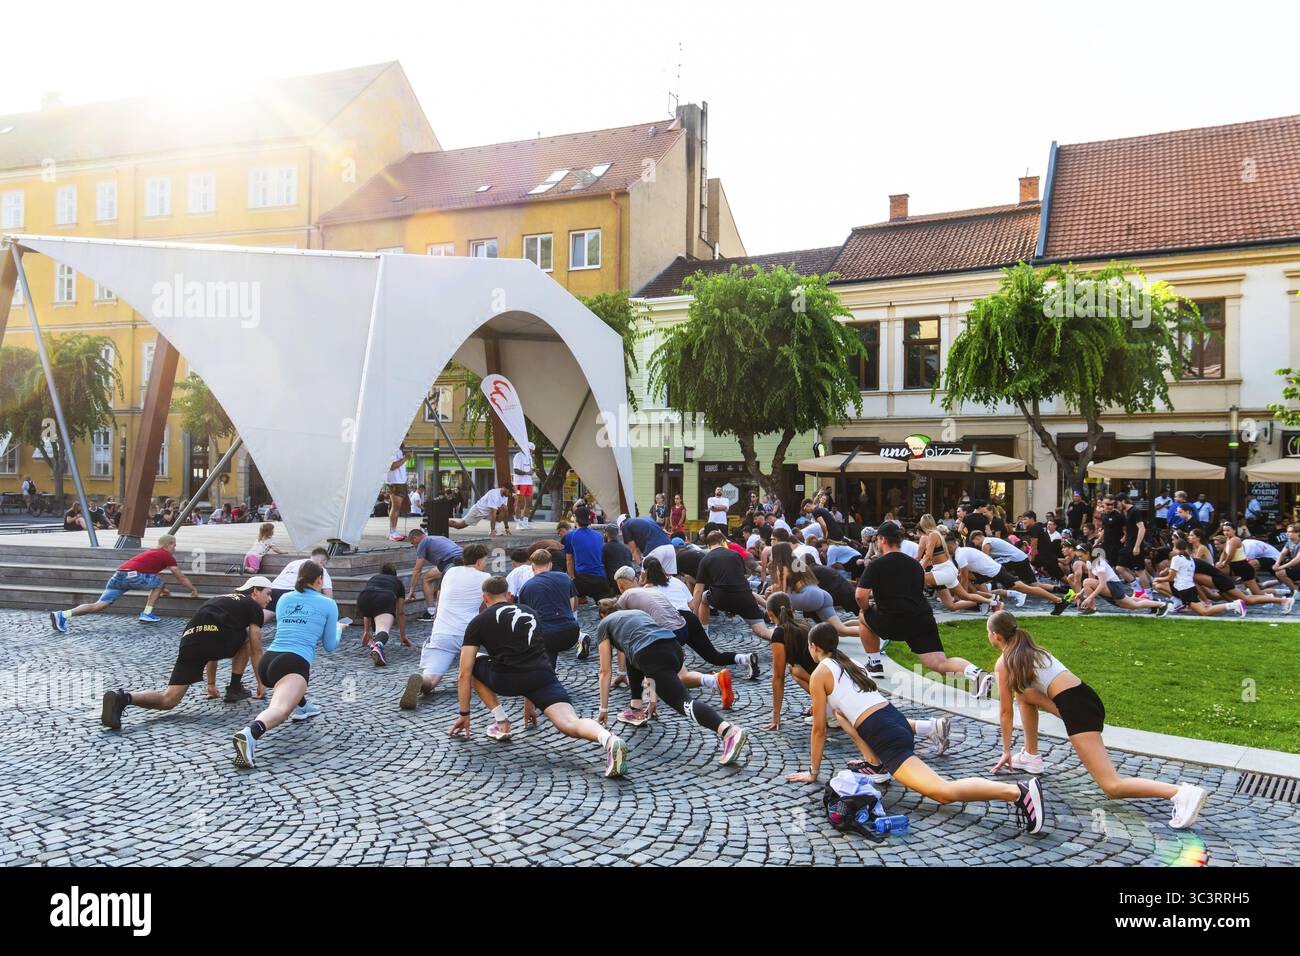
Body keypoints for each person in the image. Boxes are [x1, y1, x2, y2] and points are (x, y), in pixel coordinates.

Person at [785, 623, 1046, 834]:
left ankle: (1017, 792)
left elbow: (819, 728)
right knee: (842, 714)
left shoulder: (820, 672)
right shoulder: (851, 663)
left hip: (885, 734)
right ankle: (876, 765)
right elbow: (844, 714)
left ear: (813, 647)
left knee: (942, 792)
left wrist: (813, 772)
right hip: (894, 720)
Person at [985, 610, 1206, 828]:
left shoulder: (1004, 663)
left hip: (1077, 709)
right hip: (1086, 698)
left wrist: (1006, 751)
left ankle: (1180, 793)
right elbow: (1026, 695)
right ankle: (1031, 756)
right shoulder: (1031, 651)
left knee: (1112, 786)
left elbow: (1006, 712)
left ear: (995, 635)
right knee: (1024, 694)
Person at [450, 577, 628, 776]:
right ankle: (609, 739)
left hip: (506, 679)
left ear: (485, 598)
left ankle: (502, 722)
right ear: (509, 595)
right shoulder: (530, 612)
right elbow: (534, 649)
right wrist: (530, 702)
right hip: (541, 676)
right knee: (570, 722)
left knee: (473, 662)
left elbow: (464, 673)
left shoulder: (478, 622)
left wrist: (464, 714)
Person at [101, 576, 273, 729]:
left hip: (189, 641)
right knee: (248, 638)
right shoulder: (252, 606)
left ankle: (124, 698)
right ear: (255, 591)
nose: (270, 599)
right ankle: (235, 687)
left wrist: (211, 685)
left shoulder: (220, 599)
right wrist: (261, 683)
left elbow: (210, 641)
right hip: (216, 638)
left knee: (168, 700)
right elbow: (256, 650)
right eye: (268, 593)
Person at [595, 602, 749, 765]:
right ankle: (635, 709)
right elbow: (644, 662)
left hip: (651, 655)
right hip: (673, 647)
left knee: (684, 702)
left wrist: (603, 709)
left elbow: (605, 671)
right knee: (632, 658)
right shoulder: (636, 613)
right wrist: (652, 699)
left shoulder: (604, 625)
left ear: (603, 616)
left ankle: (727, 731)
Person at [857, 523, 994, 696]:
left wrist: (868, 608)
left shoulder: (876, 564)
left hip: (892, 620)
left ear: (882, 540)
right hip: (922, 618)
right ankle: (977, 673)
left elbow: (860, 596)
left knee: (863, 615)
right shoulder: (915, 565)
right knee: (939, 663)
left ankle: (875, 663)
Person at [230, 561, 343, 768]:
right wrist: (338, 629)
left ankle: (303, 707)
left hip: (268, 661)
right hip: (293, 663)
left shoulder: (284, 599)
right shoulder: (328, 604)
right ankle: (251, 733)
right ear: (320, 580)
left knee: (288, 690)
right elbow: (329, 645)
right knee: (280, 710)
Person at [399, 544, 491, 710]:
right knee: (479, 659)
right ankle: (472, 677)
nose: (485, 563)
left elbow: (439, 598)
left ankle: (422, 681)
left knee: (432, 678)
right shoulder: (485, 577)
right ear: (478, 562)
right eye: (485, 560)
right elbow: (486, 607)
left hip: (442, 632)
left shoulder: (450, 573)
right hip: (467, 634)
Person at [50, 535, 198, 631]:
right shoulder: (165, 555)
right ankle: (147, 613)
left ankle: (62, 614)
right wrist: (193, 589)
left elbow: (149, 576)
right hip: (132, 576)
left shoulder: (151, 553)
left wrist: (162, 590)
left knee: (99, 605)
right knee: (159, 582)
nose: (175, 548)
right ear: (169, 545)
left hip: (119, 575)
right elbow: (180, 576)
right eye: (174, 545)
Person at [690, 531, 771, 638]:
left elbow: (698, 590)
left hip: (721, 597)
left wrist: (695, 615)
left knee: (704, 598)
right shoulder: (736, 555)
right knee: (762, 630)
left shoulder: (706, 559)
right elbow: (739, 580)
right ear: (723, 541)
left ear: (708, 545)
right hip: (745, 597)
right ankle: (780, 636)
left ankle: (704, 633)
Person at [969, 530, 1068, 613]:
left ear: (977, 538)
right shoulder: (991, 540)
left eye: (974, 542)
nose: (975, 545)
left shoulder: (986, 542)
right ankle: (1062, 594)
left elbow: (985, 561)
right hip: (1021, 558)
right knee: (1033, 584)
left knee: (989, 572)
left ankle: (989, 600)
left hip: (1015, 559)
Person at [517, 549, 585, 670]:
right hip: (571, 632)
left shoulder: (526, 587)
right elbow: (573, 606)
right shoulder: (564, 578)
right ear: (551, 564)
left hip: (546, 635)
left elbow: (525, 617)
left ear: (532, 566)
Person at [1153, 540, 1244, 617]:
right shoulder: (1188, 558)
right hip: (1188, 588)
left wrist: (1158, 579)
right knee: (1203, 611)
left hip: (1185, 589)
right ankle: (1181, 604)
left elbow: (1170, 577)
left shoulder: (1176, 559)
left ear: (1175, 548)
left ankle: (1235, 604)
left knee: (1204, 612)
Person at [358, 562, 409, 666]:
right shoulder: (397, 582)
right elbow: (400, 612)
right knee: (383, 629)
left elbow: (367, 612)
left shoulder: (374, 578)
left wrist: (366, 631)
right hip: (384, 597)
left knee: (375, 614)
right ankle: (378, 646)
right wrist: (403, 636)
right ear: (395, 575)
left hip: (364, 597)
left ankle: (374, 641)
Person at [405, 527, 463, 619]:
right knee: (435, 578)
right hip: (463, 558)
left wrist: (412, 590)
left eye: (413, 543)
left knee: (426, 578)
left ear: (415, 538)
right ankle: (440, 607)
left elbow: (417, 570)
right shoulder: (439, 538)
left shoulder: (423, 542)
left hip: (451, 561)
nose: (414, 546)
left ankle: (431, 612)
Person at [563, 507, 610, 600]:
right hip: (600, 577)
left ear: (575, 518)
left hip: (582, 578)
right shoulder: (599, 535)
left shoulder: (570, 535)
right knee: (606, 607)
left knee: (572, 602)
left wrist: (572, 579)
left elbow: (569, 560)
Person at [448, 486, 512, 536]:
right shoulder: (494, 494)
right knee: (459, 525)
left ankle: (496, 529)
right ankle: (442, 523)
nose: (510, 494)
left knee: (504, 508)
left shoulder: (505, 496)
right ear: (503, 488)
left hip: (487, 513)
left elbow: (504, 512)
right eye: (509, 492)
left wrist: (507, 527)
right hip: (478, 511)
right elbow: (493, 513)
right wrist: (492, 531)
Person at [385, 447, 410, 541]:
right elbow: (392, 466)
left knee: (396, 508)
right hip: (395, 482)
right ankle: (392, 532)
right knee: (395, 508)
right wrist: (405, 458)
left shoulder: (399, 450)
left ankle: (393, 530)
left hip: (399, 481)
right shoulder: (392, 449)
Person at [512, 442, 535, 526]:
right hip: (519, 483)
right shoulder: (518, 456)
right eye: (530, 450)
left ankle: (525, 522)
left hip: (528, 482)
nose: (531, 452)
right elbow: (516, 470)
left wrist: (534, 470)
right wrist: (527, 473)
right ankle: (518, 522)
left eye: (532, 451)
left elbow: (530, 469)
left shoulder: (529, 457)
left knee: (529, 502)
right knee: (519, 502)